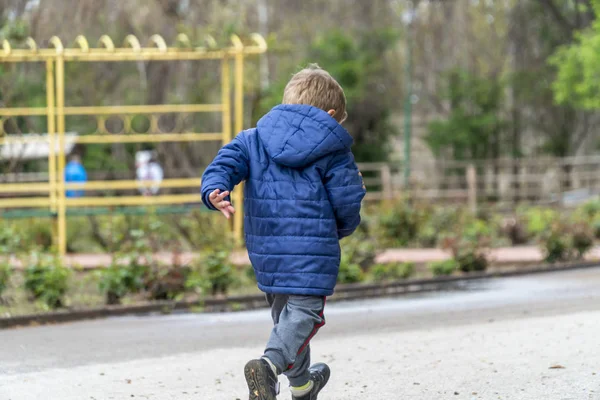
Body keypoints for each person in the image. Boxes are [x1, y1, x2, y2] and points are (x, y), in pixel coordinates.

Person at [201, 64, 366, 400]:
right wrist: (342, 229)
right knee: (303, 315)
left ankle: (303, 386)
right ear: (331, 114)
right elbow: (347, 200)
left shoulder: (252, 139)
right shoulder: (334, 150)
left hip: (267, 253)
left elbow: (223, 165)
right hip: (313, 252)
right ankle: (268, 365)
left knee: (288, 324)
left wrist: (214, 191)